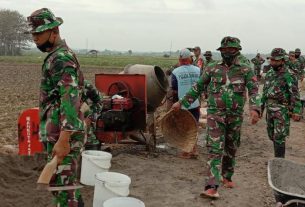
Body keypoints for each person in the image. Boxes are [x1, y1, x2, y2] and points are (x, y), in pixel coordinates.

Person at [172, 36, 261, 198]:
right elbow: (198, 87)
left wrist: (255, 109)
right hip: (215, 115)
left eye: (231, 50)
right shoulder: (212, 68)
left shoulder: (245, 69)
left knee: (231, 146)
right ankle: (211, 186)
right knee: (214, 149)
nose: (227, 53)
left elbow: (254, 89)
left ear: (237, 51)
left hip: (235, 115)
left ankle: (227, 176)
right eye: (224, 50)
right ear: (220, 51)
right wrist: (182, 102)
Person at [27, 8, 85, 206]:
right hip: (58, 133)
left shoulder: (61, 58)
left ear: (54, 31)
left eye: (39, 33)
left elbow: (70, 97)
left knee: (64, 191)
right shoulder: (56, 56)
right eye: (33, 33)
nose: (35, 38)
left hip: (63, 135)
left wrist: (64, 139)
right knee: (63, 186)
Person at [261, 48, 301, 158]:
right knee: (271, 135)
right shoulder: (269, 73)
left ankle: (280, 162)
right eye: (272, 60)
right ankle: (277, 160)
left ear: (283, 60)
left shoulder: (289, 75)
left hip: (281, 109)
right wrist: (260, 108)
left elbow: (295, 94)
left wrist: (296, 111)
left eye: (276, 60)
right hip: (270, 108)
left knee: (279, 136)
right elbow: (265, 92)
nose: (273, 62)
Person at [171, 48, 201, 158]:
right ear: (190, 58)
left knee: (184, 127)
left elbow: (174, 88)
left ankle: (186, 151)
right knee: (194, 126)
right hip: (195, 103)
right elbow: (201, 85)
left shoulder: (175, 72)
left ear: (180, 59)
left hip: (182, 104)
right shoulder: (198, 70)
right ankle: (194, 149)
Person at [82, 80, 103, 149]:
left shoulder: (86, 86)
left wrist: (91, 117)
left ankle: (91, 144)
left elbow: (99, 102)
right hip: (69, 109)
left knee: (87, 122)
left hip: (85, 109)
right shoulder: (57, 85)